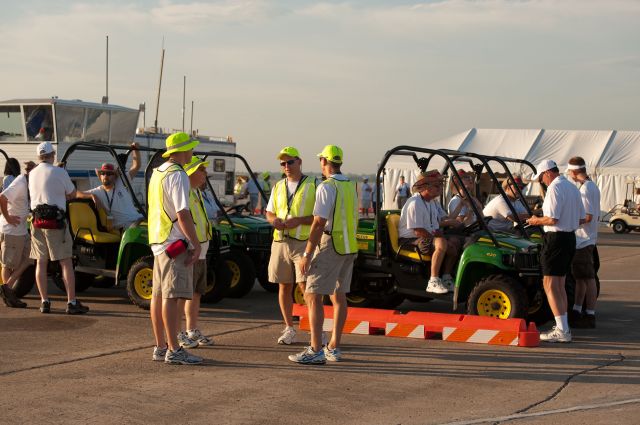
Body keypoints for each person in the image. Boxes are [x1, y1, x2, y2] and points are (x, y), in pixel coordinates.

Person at [292, 145, 358, 365]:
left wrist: (308, 253)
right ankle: (334, 346)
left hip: (331, 244)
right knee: (339, 297)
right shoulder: (351, 185)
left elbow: (318, 223)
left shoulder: (326, 187)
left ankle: (315, 349)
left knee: (313, 294)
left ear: (324, 162)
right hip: (349, 246)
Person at [148, 132, 202, 365]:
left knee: (158, 296)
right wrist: (195, 243)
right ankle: (174, 349)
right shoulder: (178, 175)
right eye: (190, 149)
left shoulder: (157, 172)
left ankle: (161, 346)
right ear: (181, 152)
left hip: (158, 241)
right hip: (174, 242)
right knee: (172, 297)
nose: (192, 153)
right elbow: (182, 213)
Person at [527, 159, 585, 343]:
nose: (542, 182)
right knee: (559, 285)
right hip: (570, 238)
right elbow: (582, 218)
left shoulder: (554, 188)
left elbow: (551, 219)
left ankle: (562, 329)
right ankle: (563, 326)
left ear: (547, 173)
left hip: (556, 239)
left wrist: (535, 220)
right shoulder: (572, 188)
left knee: (551, 285)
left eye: (541, 178)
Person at [28, 142, 89, 314]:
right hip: (56, 222)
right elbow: (71, 194)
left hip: (37, 222)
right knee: (65, 262)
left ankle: (44, 301)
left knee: (41, 262)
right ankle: (71, 302)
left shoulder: (31, 174)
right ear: (52, 154)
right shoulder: (59, 172)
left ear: (39, 156)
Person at [265, 147, 316, 346]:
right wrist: (273, 220)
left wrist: (300, 221)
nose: (286, 166)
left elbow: (319, 217)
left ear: (299, 161)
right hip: (280, 241)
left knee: (307, 287)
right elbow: (269, 212)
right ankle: (289, 328)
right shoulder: (278, 186)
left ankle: (316, 330)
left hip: (302, 243)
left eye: (290, 162)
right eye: (283, 163)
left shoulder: (313, 184)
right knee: (283, 286)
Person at [397, 170, 465, 294]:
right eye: (437, 185)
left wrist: (442, 236)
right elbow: (418, 231)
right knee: (441, 242)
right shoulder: (415, 203)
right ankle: (433, 281)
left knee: (455, 241)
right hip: (410, 241)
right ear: (425, 186)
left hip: (423, 238)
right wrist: (440, 239)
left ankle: (446, 278)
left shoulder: (431, 203)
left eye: (440, 184)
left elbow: (435, 225)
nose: (440, 187)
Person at [177, 156, 215, 349]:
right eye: (202, 170)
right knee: (183, 293)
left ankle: (192, 329)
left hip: (201, 251)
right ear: (190, 172)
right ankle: (179, 332)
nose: (205, 174)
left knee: (196, 292)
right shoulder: (185, 193)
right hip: (192, 250)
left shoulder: (197, 193)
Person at [75, 143, 143, 231]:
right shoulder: (97, 192)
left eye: (109, 173)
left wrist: (135, 150)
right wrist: (92, 196)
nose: (105, 175)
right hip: (125, 226)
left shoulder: (121, 181)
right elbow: (75, 193)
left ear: (115, 176)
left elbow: (136, 166)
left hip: (139, 220)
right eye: (103, 173)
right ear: (100, 177)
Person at [567, 156, 600, 329]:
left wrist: (570, 220)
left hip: (584, 239)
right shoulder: (590, 186)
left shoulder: (586, 190)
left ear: (573, 171)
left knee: (588, 277)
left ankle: (590, 314)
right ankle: (578, 310)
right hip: (586, 239)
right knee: (581, 278)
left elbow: (587, 216)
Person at [0, 162, 37, 309]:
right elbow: (2, 197)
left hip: (21, 230)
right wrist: (8, 217)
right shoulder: (20, 182)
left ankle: (7, 288)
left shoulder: (28, 183)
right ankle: (10, 296)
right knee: (8, 265)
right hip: (11, 231)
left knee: (30, 258)